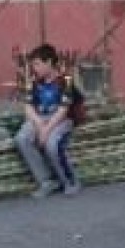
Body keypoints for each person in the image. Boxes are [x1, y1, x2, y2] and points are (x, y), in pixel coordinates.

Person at [16, 43, 84, 197]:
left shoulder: (66, 81)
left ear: (49, 62)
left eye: (37, 64)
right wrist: (39, 124)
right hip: (39, 118)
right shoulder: (33, 81)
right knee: (22, 138)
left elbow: (63, 110)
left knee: (52, 144)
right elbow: (28, 106)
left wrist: (46, 130)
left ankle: (70, 181)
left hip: (61, 119)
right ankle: (46, 181)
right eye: (33, 64)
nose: (34, 68)